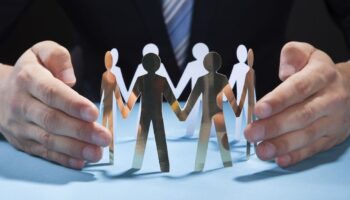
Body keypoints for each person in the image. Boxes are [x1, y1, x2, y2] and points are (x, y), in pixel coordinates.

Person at [0, 0, 350, 169]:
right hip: (97, 129)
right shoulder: (115, 76)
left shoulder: (230, 75)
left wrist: (346, 85)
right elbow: (138, 83)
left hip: (266, 129)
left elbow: (194, 86)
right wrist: (3, 89)